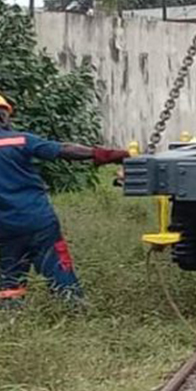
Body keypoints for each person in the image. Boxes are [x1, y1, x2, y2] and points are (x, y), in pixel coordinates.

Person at [0, 94, 131, 304]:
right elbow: (64, 150)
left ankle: (11, 312)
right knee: (57, 266)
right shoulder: (20, 140)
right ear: (5, 116)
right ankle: (73, 306)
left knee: (8, 274)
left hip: (4, 228)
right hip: (37, 220)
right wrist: (104, 154)